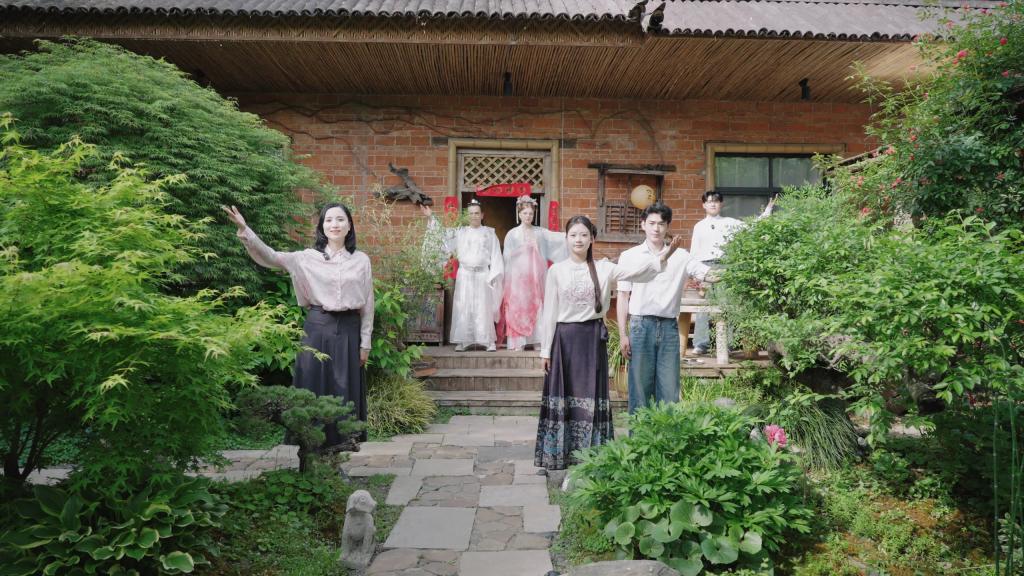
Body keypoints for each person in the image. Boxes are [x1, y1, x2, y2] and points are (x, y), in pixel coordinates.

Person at [534, 215, 683, 471]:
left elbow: (638, 272)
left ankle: (594, 454)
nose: (578, 240)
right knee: (563, 396)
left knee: (592, 395)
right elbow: (549, 313)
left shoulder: (604, 268)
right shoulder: (556, 271)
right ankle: (561, 456)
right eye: (573, 235)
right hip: (564, 340)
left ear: (592, 238)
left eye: (584, 235)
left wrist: (665, 255)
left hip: (592, 340)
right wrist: (545, 350)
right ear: (566, 238)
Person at [222, 203, 373, 446]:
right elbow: (270, 256)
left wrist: (365, 343)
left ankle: (339, 450)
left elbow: (368, 304)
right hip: (317, 327)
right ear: (322, 227)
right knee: (312, 387)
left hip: (348, 330)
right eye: (328, 220)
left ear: (349, 226)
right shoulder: (305, 258)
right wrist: (245, 230)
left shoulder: (361, 260)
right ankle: (309, 450)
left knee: (345, 390)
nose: (334, 224)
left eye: (340, 219)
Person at [616, 202, 711, 413]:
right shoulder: (629, 256)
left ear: (667, 226)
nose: (656, 228)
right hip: (640, 326)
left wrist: (734, 273)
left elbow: (705, 273)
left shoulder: (681, 256)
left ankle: (667, 435)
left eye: (661, 224)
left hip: (669, 327)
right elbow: (623, 296)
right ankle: (638, 434)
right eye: (651, 223)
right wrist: (623, 334)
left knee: (669, 390)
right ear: (643, 225)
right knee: (639, 388)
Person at [690, 191, 775, 354]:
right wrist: (696, 274)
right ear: (704, 205)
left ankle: (726, 344)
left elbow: (751, 227)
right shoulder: (699, 226)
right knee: (704, 306)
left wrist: (767, 211)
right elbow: (694, 252)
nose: (713, 204)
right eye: (709, 201)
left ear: (721, 204)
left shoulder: (729, 222)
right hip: (704, 267)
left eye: (716, 201)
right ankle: (701, 344)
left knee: (725, 304)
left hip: (725, 266)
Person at [420, 199, 503, 351]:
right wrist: (431, 216)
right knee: (464, 306)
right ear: (467, 216)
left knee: (483, 307)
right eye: (471, 214)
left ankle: (487, 340)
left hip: (483, 274)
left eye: (476, 213)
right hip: (465, 274)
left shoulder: (489, 233)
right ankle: (464, 340)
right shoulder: (460, 232)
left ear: (482, 215)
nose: (474, 216)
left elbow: (496, 256)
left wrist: (493, 276)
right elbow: (442, 235)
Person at [500, 195, 568, 352]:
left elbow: (557, 238)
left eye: (530, 213)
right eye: (525, 213)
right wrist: (520, 253)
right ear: (519, 214)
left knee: (537, 305)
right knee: (518, 307)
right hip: (517, 279)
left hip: (536, 277)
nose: (528, 216)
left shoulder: (540, 232)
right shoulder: (512, 234)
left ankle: (537, 339)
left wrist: (572, 233)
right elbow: (506, 256)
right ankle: (518, 341)